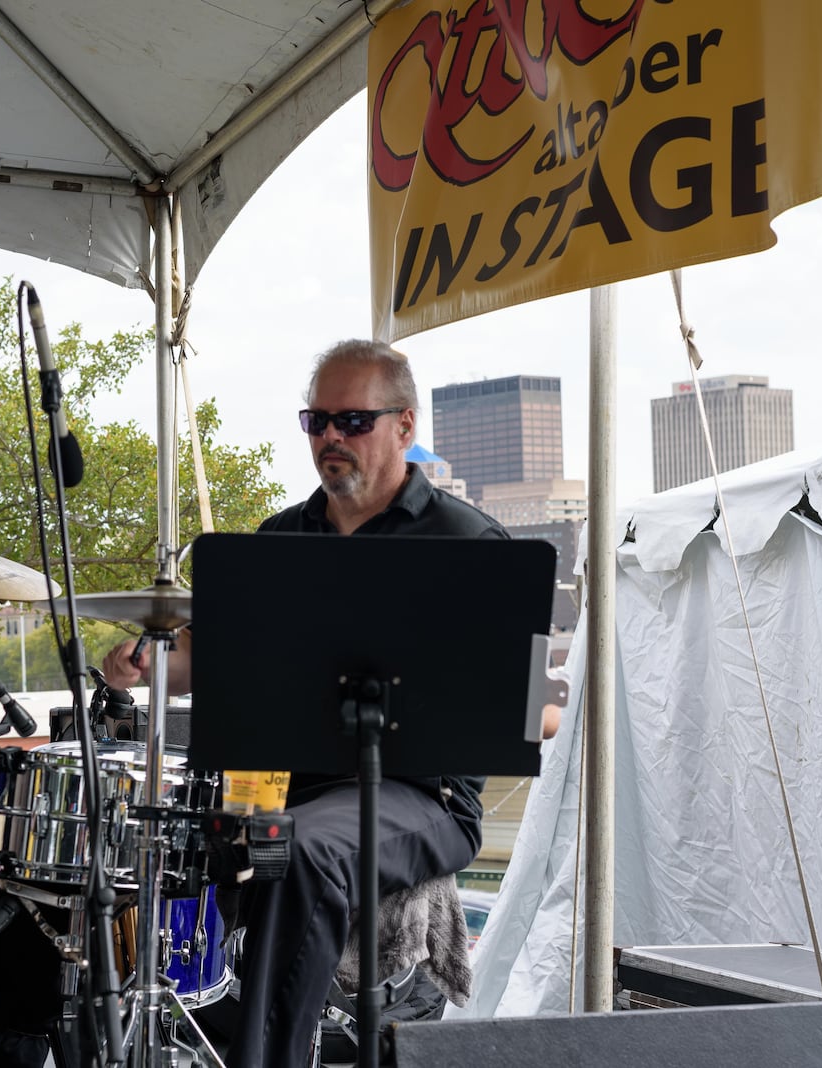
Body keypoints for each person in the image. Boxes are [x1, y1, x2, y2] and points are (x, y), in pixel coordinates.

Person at [98, 338, 512, 1067]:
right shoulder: (280, 539)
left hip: (423, 796)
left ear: (404, 427)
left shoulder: (469, 541)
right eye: (315, 421)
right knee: (110, 837)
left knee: (306, 848)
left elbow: (524, 696)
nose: (329, 437)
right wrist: (149, 659)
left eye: (352, 421)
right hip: (289, 788)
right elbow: (209, 656)